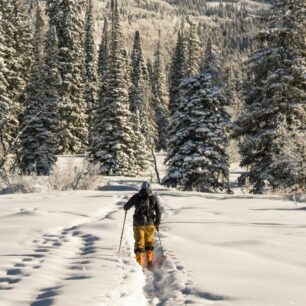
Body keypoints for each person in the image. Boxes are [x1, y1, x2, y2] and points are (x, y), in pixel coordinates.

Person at [124, 181, 162, 267]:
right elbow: (159, 211)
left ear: (141, 188)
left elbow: (126, 207)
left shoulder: (136, 197)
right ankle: (149, 259)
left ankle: (139, 261)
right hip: (150, 223)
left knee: (139, 242)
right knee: (149, 241)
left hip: (138, 223)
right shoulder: (153, 198)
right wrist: (157, 222)